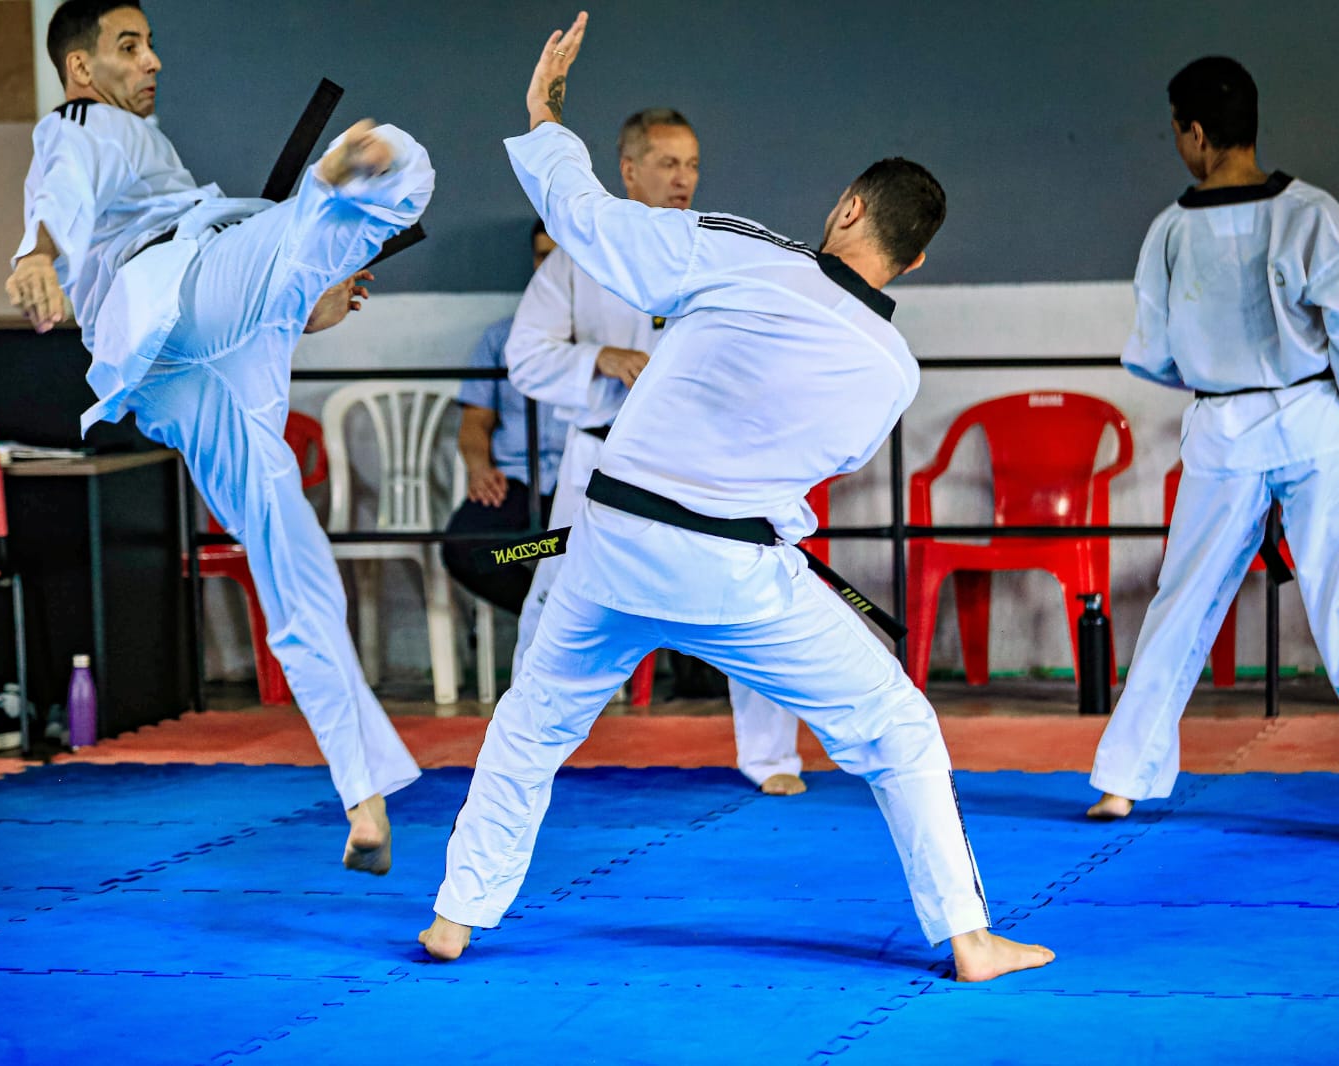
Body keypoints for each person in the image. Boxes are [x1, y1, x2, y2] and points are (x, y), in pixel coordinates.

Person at [418, 12, 1055, 983]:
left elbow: (589, 222)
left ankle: (456, 916)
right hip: (733, 570)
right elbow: (830, 460)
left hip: (608, 539)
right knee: (897, 728)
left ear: (847, 208)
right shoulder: (893, 368)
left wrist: (545, 118)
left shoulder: (739, 251)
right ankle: (969, 938)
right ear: (916, 261)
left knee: (532, 722)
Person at [5, 0, 432, 870]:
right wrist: (36, 251)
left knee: (292, 562)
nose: (152, 61)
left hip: (192, 370)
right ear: (82, 69)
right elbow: (61, 182)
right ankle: (330, 193)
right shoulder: (84, 122)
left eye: (152, 44)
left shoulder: (147, 145)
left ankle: (364, 799)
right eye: (129, 46)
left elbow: (232, 301)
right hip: (177, 285)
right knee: (388, 164)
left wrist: (303, 309)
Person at [1087, 57, 1339, 832]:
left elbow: (1153, 352)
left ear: (1195, 133)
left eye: (1176, 131)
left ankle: (1122, 782)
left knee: (1183, 601)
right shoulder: (1310, 213)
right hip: (1314, 418)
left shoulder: (1170, 231)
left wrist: (1217, 375)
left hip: (1223, 431)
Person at [505, 104, 808, 796]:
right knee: (551, 602)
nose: (683, 179)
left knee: (752, 592)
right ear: (628, 170)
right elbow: (525, 357)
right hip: (600, 462)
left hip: (701, 467)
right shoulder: (577, 258)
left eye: (692, 164)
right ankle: (521, 758)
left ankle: (772, 758)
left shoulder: (719, 248)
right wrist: (599, 357)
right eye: (668, 163)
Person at [440, 221, 569, 614]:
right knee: (468, 551)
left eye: (563, 258)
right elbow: (475, 423)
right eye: (543, 257)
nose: (551, 268)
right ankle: (549, 620)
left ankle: (570, 617)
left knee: (615, 549)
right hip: (517, 483)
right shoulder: (501, 338)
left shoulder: (615, 338)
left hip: (585, 483)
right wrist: (479, 468)